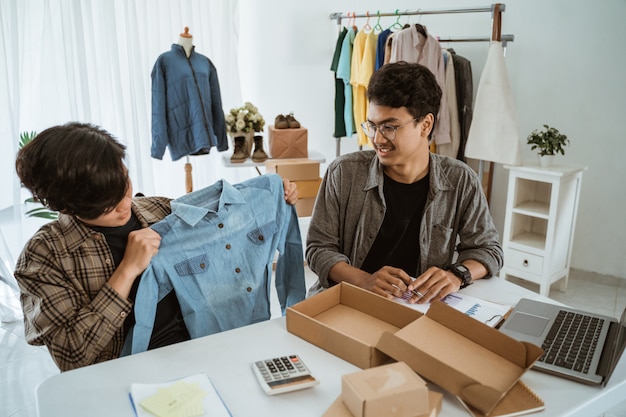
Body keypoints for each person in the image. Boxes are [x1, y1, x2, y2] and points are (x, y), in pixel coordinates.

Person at [13, 122, 298, 371]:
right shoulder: (44, 257)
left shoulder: (159, 210)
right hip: (130, 373)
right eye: (108, 205)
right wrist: (126, 272)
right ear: (67, 206)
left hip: (208, 349)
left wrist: (272, 196)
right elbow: (72, 355)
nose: (126, 204)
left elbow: (226, 228)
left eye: (124, 184)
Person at [306, 61, 503, 304]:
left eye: (390, 127)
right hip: (348, 300)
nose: (378, 139)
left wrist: (457, 275)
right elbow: (318, 249)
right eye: (373, 125)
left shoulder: (461, 180)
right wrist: (364, 280)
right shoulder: (343, 173)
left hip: (417, 307)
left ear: (426, 125)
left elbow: (489, 250)